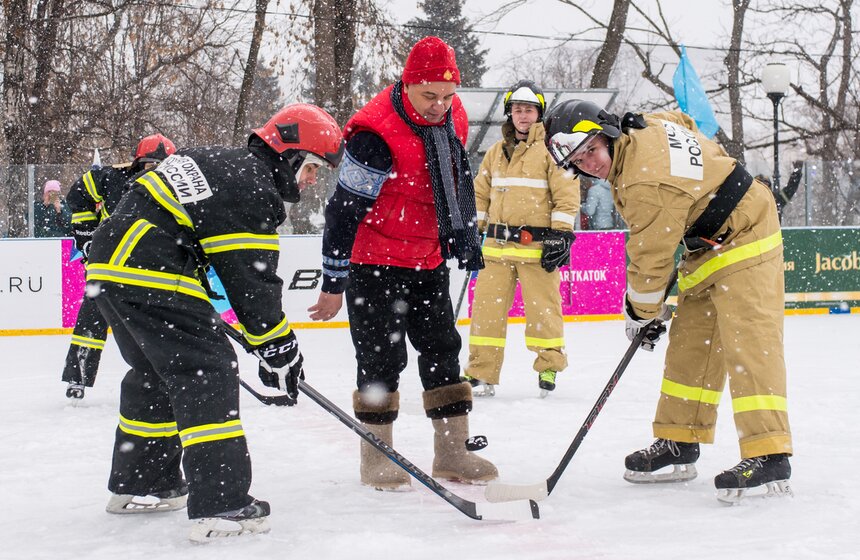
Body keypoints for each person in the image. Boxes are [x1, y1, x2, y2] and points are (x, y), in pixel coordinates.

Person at [84, 104, 343, 541]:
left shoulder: (218, 160)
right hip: (151, 271)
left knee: (155, 373)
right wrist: (277, 345)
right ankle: (222, 504)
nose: (312, 180)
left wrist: (267, 341)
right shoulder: (252, 186)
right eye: (313, 167)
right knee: (206, 371)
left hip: (110, 269)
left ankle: (146, 484)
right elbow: (252, 281)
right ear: (292, 155)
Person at [543, 100, 792, 503]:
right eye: (577, 159)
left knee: (750, 343)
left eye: (590, 149)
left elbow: (650, 259)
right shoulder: (645, 126)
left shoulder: (645, 184)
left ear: (607, 133)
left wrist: (640, 314)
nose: (588, 163)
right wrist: (701, 184)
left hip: (746, 232)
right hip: (707, 242)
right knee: (691, 346)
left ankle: (770, 453)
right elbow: (684, 121)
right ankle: (681, 439)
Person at [308, 36, 497, 491]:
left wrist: (461, 234)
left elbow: (450, 180)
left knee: (442, 349)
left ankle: (452, 452)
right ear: (407, 84)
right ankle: (378, 456)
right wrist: (333, 281)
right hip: (373, 261)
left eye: (448, 96)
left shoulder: (454, 116)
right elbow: (343, 210)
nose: (440, 106)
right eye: (429, 95)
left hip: (427, 256)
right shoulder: (375, 133)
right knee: (380, 357)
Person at [461, 79, 579, 398]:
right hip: (495, 250)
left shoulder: (553, 151)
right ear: (509, 114)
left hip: (537, 250)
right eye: (517, 110)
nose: (522, 116)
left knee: (544, 312)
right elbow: (480, 195)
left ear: (539, 114)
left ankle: (549, 366)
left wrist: (561, 234)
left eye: (529, 110)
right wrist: (474, 232)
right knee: (485, 314)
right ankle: (480, 372)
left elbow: (567, 197)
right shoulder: (496, 153)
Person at [62, 134, 176, 399]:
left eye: (162, 165)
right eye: (149, 164)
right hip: (109, 262)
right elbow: (78, 195)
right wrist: (87, 236)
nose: (155, 170)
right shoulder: (111, 178)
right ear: (137, 162)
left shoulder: (174, 189)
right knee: (92, 317)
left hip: (150, 266)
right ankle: (77, 377)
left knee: (161, 323)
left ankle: (165, 374)